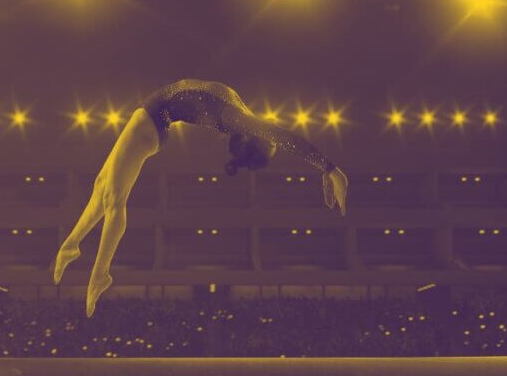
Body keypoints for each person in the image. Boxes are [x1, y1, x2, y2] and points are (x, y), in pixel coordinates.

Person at [52, 79, 348, 317]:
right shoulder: (237, 110)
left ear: (251, 140)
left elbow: (285, 138)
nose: (270, 140)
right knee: (102, 185)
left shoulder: (239, 118)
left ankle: (100, 273)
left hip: (150, 122)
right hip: (154, 121)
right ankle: (72, 245)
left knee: (114, 200)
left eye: (267, 143)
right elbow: (275, 137)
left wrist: (330, 169)